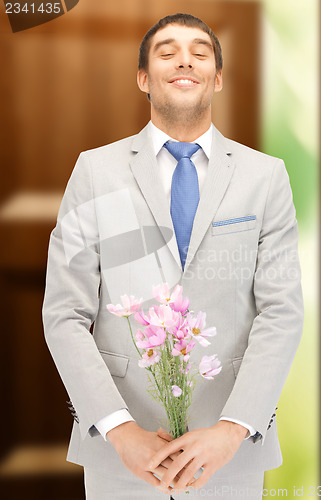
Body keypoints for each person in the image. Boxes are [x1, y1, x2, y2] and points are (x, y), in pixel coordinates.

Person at [42, 13, 304, 500]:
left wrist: (232, 430)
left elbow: (282, 312)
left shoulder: (266, 178)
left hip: (229, 453)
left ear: (217, 77)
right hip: (121, 454)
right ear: (144, 77)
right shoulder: (94, 172)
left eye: (200, 52)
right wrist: (120, 432)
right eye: (167, 51)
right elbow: (64, 312)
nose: (185, 59)